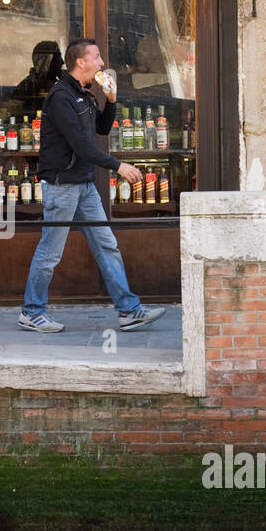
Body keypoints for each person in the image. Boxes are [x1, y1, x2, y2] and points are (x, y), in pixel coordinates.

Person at [18, 38, 165, 333]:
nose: (101, 63)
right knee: (51, 251)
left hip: (83, 184)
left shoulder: (83, 95)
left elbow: (100, 129)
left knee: (107, 245)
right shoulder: (61, 98)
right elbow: (82, 146)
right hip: (62, 185)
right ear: (80, 62)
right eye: (96, 57)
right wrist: (118, 166)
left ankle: (129, 311)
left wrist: (111, 100)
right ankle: (31, 312)